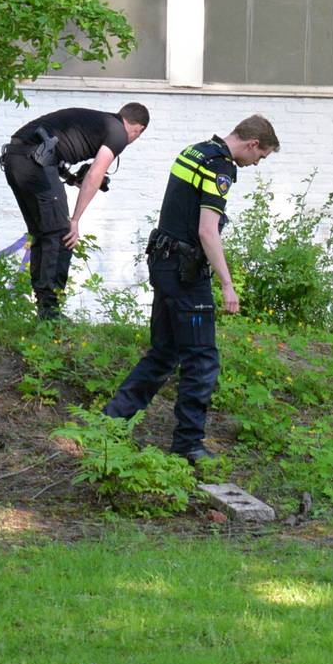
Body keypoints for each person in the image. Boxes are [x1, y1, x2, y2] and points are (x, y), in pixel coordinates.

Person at [103, 115, 279, 463]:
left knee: (165, 352)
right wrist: (227, 284)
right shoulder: (220, 167)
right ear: (253, 143)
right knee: (201, 359)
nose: (256, 164)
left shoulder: (194, 152)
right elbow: (207, 230)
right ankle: (189, 446)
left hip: (163, 262)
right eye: (260, 157)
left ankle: (111, 422)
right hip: (186, 273)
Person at [1, 103, 150, 319]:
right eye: (137, 135)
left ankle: (44, 305)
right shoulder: (118, 132)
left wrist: (71, 179)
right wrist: (76, 219)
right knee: (63, 234)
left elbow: (52, 148)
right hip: (33, 163)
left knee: (44, 234)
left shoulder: (99, 121)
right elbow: (95, 174)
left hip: (15, 159)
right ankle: (50, 313)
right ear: (139, 129)